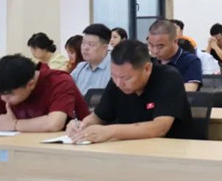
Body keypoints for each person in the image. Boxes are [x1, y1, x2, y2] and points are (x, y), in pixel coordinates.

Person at [66, 40, 194, 143]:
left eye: (127, 78)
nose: (118, 83)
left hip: (170, 149)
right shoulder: (118, 80)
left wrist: (111, 131)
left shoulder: (168, 77)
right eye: (114, 76)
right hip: (129, 148)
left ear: (147, 69)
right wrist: (81, 126)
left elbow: (160, 128)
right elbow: (99, 116)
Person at [0, 55, 88, 133]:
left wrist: (14, 124)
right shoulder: (6, 85)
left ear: (30, 84)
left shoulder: (59, 81)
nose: (3, 99)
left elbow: (54, 123)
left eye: (9, 95)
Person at [149, 19, 202, 92]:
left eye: (160, 46)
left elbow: (188, 92)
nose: (155, 51)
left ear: (175, 41)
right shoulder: (148, 61)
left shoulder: (191, 61)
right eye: (151, 45)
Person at [70, 24, 113, 95]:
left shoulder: (115, 69)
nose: (85, 48)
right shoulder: (80, 68)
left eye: (91, 44)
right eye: (83, 43)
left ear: (104, 48)